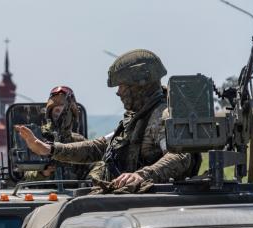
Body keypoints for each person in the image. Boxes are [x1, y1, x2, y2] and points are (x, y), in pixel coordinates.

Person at [16, 49, 194, 188]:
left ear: (139, 86)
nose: (118, 92)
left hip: (152, 204)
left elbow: (179, 155)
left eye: (122, 86)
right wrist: (49, 149)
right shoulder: (134, 118)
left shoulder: (161, 117)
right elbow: (99, 146)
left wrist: (141, 175)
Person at [22, 85, 88, 181]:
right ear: (50, 112)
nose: (60, 115)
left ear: (72, 114)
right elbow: (25, 174)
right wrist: (43, 172)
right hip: (43, 193)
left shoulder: (79, 141)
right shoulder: (37, 138)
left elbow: (95, 165)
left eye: (64, 111)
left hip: (75, 191)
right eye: (57, 110)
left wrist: (91, 179)